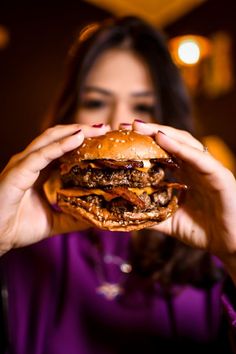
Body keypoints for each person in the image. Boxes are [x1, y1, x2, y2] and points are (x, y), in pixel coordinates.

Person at [0, 15, 236, 354]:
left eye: (143, 107)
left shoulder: (210, 239)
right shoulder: (23, 234)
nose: (118, 123)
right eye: (95, 102)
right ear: (68, 114)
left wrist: (234, 256)